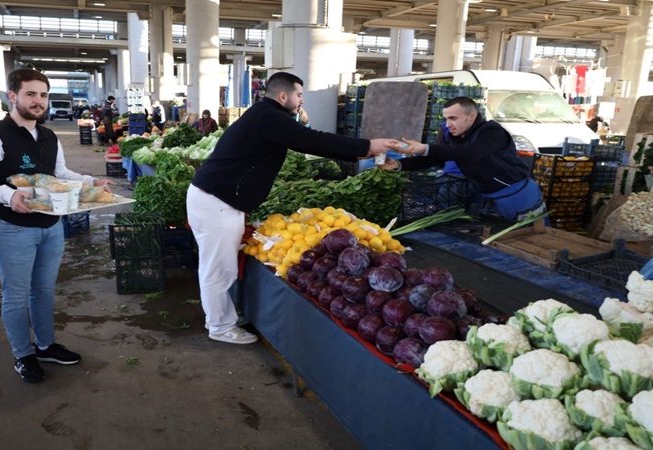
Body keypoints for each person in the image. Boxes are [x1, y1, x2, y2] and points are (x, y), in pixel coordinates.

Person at [187, 71, 402, 345]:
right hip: (216, 202)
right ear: (283, 95)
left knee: (220, 267)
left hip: (217, 200)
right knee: (218, 269)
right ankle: (219, 326)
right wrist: (368, 146)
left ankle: (222, 317)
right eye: (299, 95)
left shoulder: (266, 116)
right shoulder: (268, 117)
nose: (302, 100)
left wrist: (305, 124)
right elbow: (315, 141)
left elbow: (305, 137)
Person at [0, 68, 114, 383]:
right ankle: (23, 355)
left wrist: (90, 180)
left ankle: (45, 345)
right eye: (31, 94)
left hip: (51, 226)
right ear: (12, 96)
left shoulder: (48, 135)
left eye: (43, 95)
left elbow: (58, 174)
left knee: (43, 291)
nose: (38, 101)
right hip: (12, 228)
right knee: (16, 294)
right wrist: (7, 195)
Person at [380, 97, 544, 222]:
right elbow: (435, 159)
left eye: (453, 118)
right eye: (445, 119)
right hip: (489, 195)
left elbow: (471, 153)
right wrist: (398, 164)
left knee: (534, 237)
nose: (447, 124)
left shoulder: (492, 132)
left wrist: (424, 147)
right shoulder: (455, 136)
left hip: (518, 193)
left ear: (471, 117)